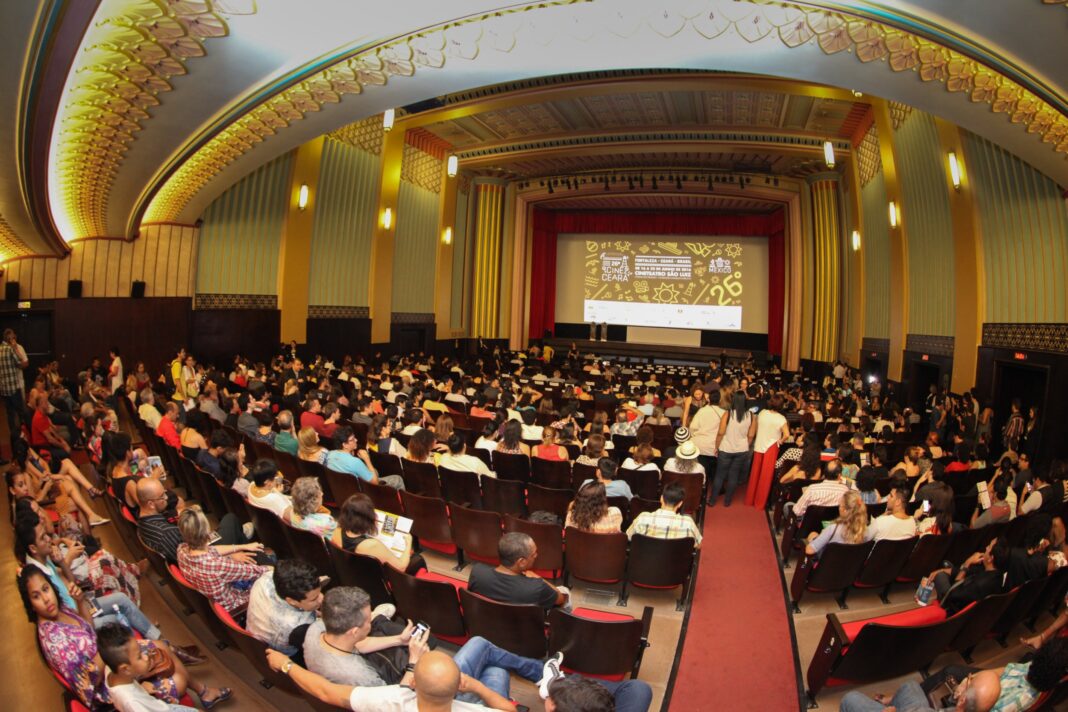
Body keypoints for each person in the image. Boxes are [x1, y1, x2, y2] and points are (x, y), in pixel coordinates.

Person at [267, 647, 516, 711]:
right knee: (496, 673)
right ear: (458, 689)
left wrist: (286, 664)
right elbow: (508, 710)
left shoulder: (389, 699)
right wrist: (478, 687)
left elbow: (326, 692)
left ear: (414, 683)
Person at [97, 623, 229, 711]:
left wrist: (140, 688)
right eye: (139, 656)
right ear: (125, 669)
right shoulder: (132, 702)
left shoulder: (112, 670)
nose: (146, 656)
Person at [176, 506, 268, 613]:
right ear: (207, 531)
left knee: (249, 551)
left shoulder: (181, 550)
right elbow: (260, 572)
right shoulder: (217, 565)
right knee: (261, 558)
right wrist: (273, 568)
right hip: (238, 606)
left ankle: (244, 541)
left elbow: (212, 550)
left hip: (215, 601)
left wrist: (241, 547)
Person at [468, 532, 570, 610]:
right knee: (565, 592)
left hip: (489, 623)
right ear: (521, 562)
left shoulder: (477, 572)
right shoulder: (537, 587)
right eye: (533, 554)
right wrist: (538, 578)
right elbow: (561, 599)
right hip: (523, 632)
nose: (536, 555)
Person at [246, 559, 324, 660]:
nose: (322, 598)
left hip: (256, 636)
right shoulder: (298, 626)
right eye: (314, 598)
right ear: (292, 601)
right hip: (284, 656)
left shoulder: (267, 578)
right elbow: (320, 648)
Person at [331, 493, 426, 574]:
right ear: (367, 518)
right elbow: (401, 567)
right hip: (377, 576)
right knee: (418, 560)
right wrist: (408, 544)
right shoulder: (371, 545)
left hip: (354, 570)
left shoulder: (338, 530)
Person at [710, 390, 755, 507]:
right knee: (734, 475)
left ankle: (712, 500)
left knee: (720, 475)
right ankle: (727, 501)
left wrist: (716, 446)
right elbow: (751, 435)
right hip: (742, 450)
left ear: (733, 400)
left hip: (726, 448)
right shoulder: (751, 415)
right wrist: (745, 444)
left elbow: (720, 433)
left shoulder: (728, 414)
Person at [744, 394, 790, 509]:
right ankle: (759, 504)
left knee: (755, 474)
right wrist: (780, 442)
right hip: (771, 447)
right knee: (765, 476)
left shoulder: (762, 413)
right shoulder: (781, 418)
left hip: (759, 444)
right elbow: (787, 434)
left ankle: (750, 500)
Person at [327, 425, 405, 489]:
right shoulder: (355, 462)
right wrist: (367, 459)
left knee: (375, 471)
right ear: (344, 445)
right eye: (352, 439)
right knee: (398, 479)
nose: (356, 440)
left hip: (343, 488)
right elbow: (375, 482)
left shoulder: (330, 455)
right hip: (363, 490)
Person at [626, 483, 702, 547]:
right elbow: (698, 545)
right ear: (680, 504)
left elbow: (628, 537)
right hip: (676, 564)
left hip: (643, 563)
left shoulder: (643, 518)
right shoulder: (688, 523)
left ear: (661, 499)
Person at [804, 491, 873, 558]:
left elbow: (809, 551)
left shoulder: (833, 529)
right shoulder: (865, 530)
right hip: (851, 567)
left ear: (844, 510)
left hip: (828, 564)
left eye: (840, 506)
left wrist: (812, 540)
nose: (839, 508)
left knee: (812, 535)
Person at [0, 328, 30, 449]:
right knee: (22, 411)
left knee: (10, 414)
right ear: (10, 339)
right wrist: (14, 349)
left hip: (4, 389)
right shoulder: (10, 349)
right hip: (14, 386)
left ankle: (14, 439)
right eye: (12, 338)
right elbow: (22, 363)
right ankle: (26, 434)